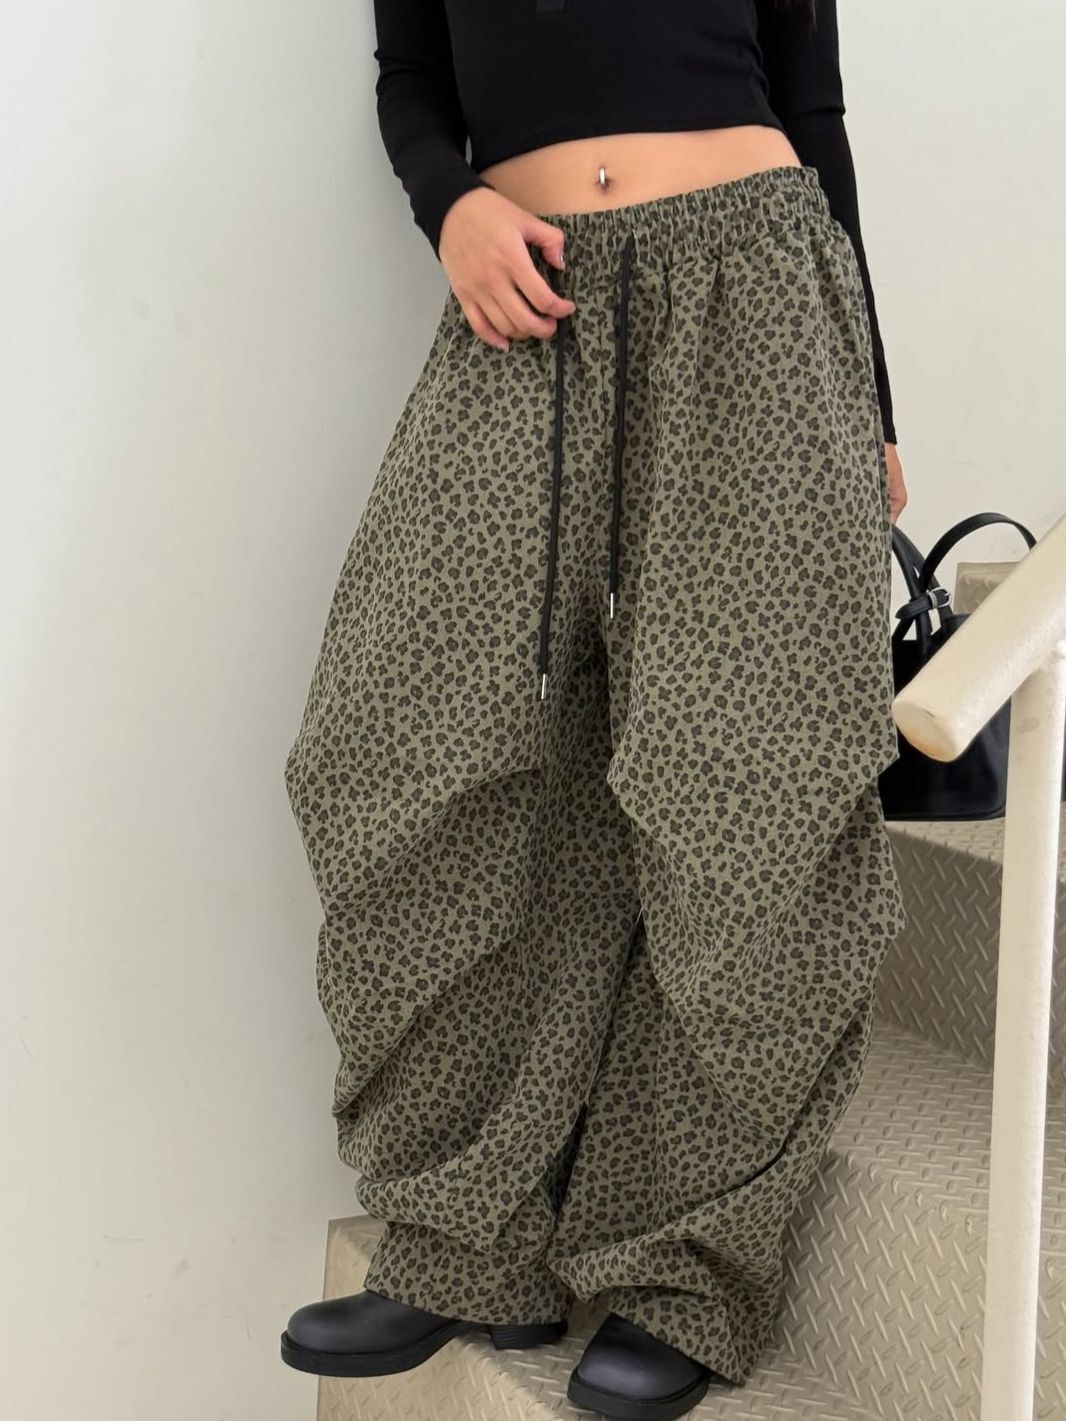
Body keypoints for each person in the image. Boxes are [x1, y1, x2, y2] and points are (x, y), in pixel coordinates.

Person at [280, 1, 910, 1417]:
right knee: (403, 751)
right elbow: (411, 77)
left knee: (745, 786)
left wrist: (868, 398)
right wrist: (451, 209)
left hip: (755, 292)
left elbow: (811, 106)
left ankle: (675, 1265)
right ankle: (468, 1235)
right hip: (526, 303)